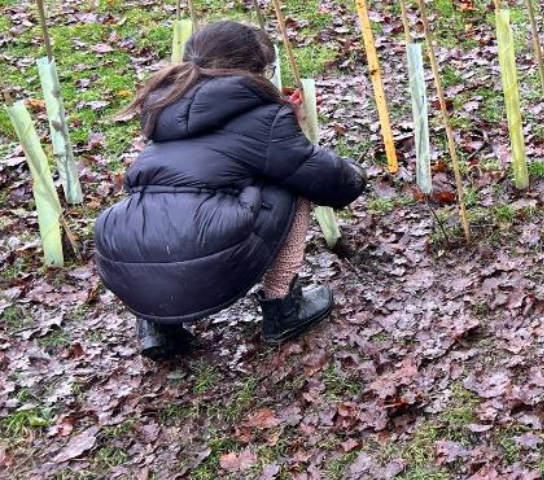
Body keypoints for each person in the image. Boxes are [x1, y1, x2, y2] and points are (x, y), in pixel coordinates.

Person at [94, 21, 366, 359]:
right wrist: (356, 174)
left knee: (162, 195)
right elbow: (322, 178)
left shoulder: (164, 108)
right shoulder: (264, 117)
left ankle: (156, 325)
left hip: (126, 266)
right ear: (252, 71)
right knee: (290, 185)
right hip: (200, 261)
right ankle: (283, 305)